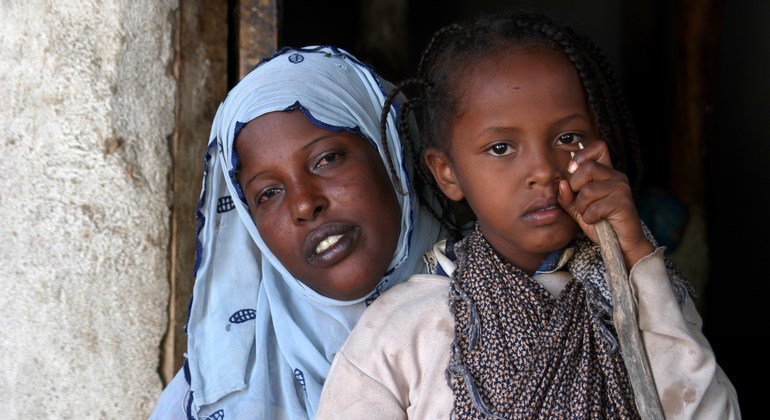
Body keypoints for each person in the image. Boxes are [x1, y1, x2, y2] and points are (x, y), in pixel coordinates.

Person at [316, 11, 741, 419]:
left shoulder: (641, 297)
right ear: (447, 173)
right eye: (501, 148)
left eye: (568, 138)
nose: (543, 170)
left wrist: (632, 256)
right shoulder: (406, 326)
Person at [150, 45, 442, 419]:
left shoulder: (505, 316)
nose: (304, 204)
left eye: (327, 159)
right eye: (268, 193)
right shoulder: (211, 398)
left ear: (392, 155)